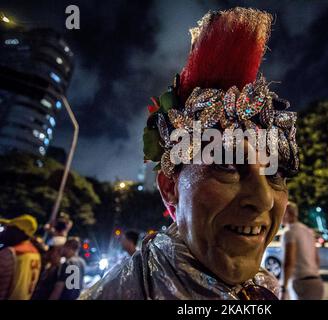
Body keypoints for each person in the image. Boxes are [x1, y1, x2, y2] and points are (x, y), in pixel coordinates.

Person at [81, 7, 300, 300]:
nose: (264, 199)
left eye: (275, 174)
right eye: (226, 166)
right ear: (170, 188)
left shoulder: (263, 291)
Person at [281, 202, 324, 300]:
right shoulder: (308, 231)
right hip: (317, 282)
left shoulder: (289, 232)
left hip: (301, 283)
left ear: (289, 214)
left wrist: (283, 287)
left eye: (282, 212)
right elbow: (316, 259)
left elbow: (289, 262)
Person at [0, 214, 42, 300]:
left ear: (19, 232)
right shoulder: (35, 254)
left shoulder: (10, 253)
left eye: (9, 228)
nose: (5, 231)